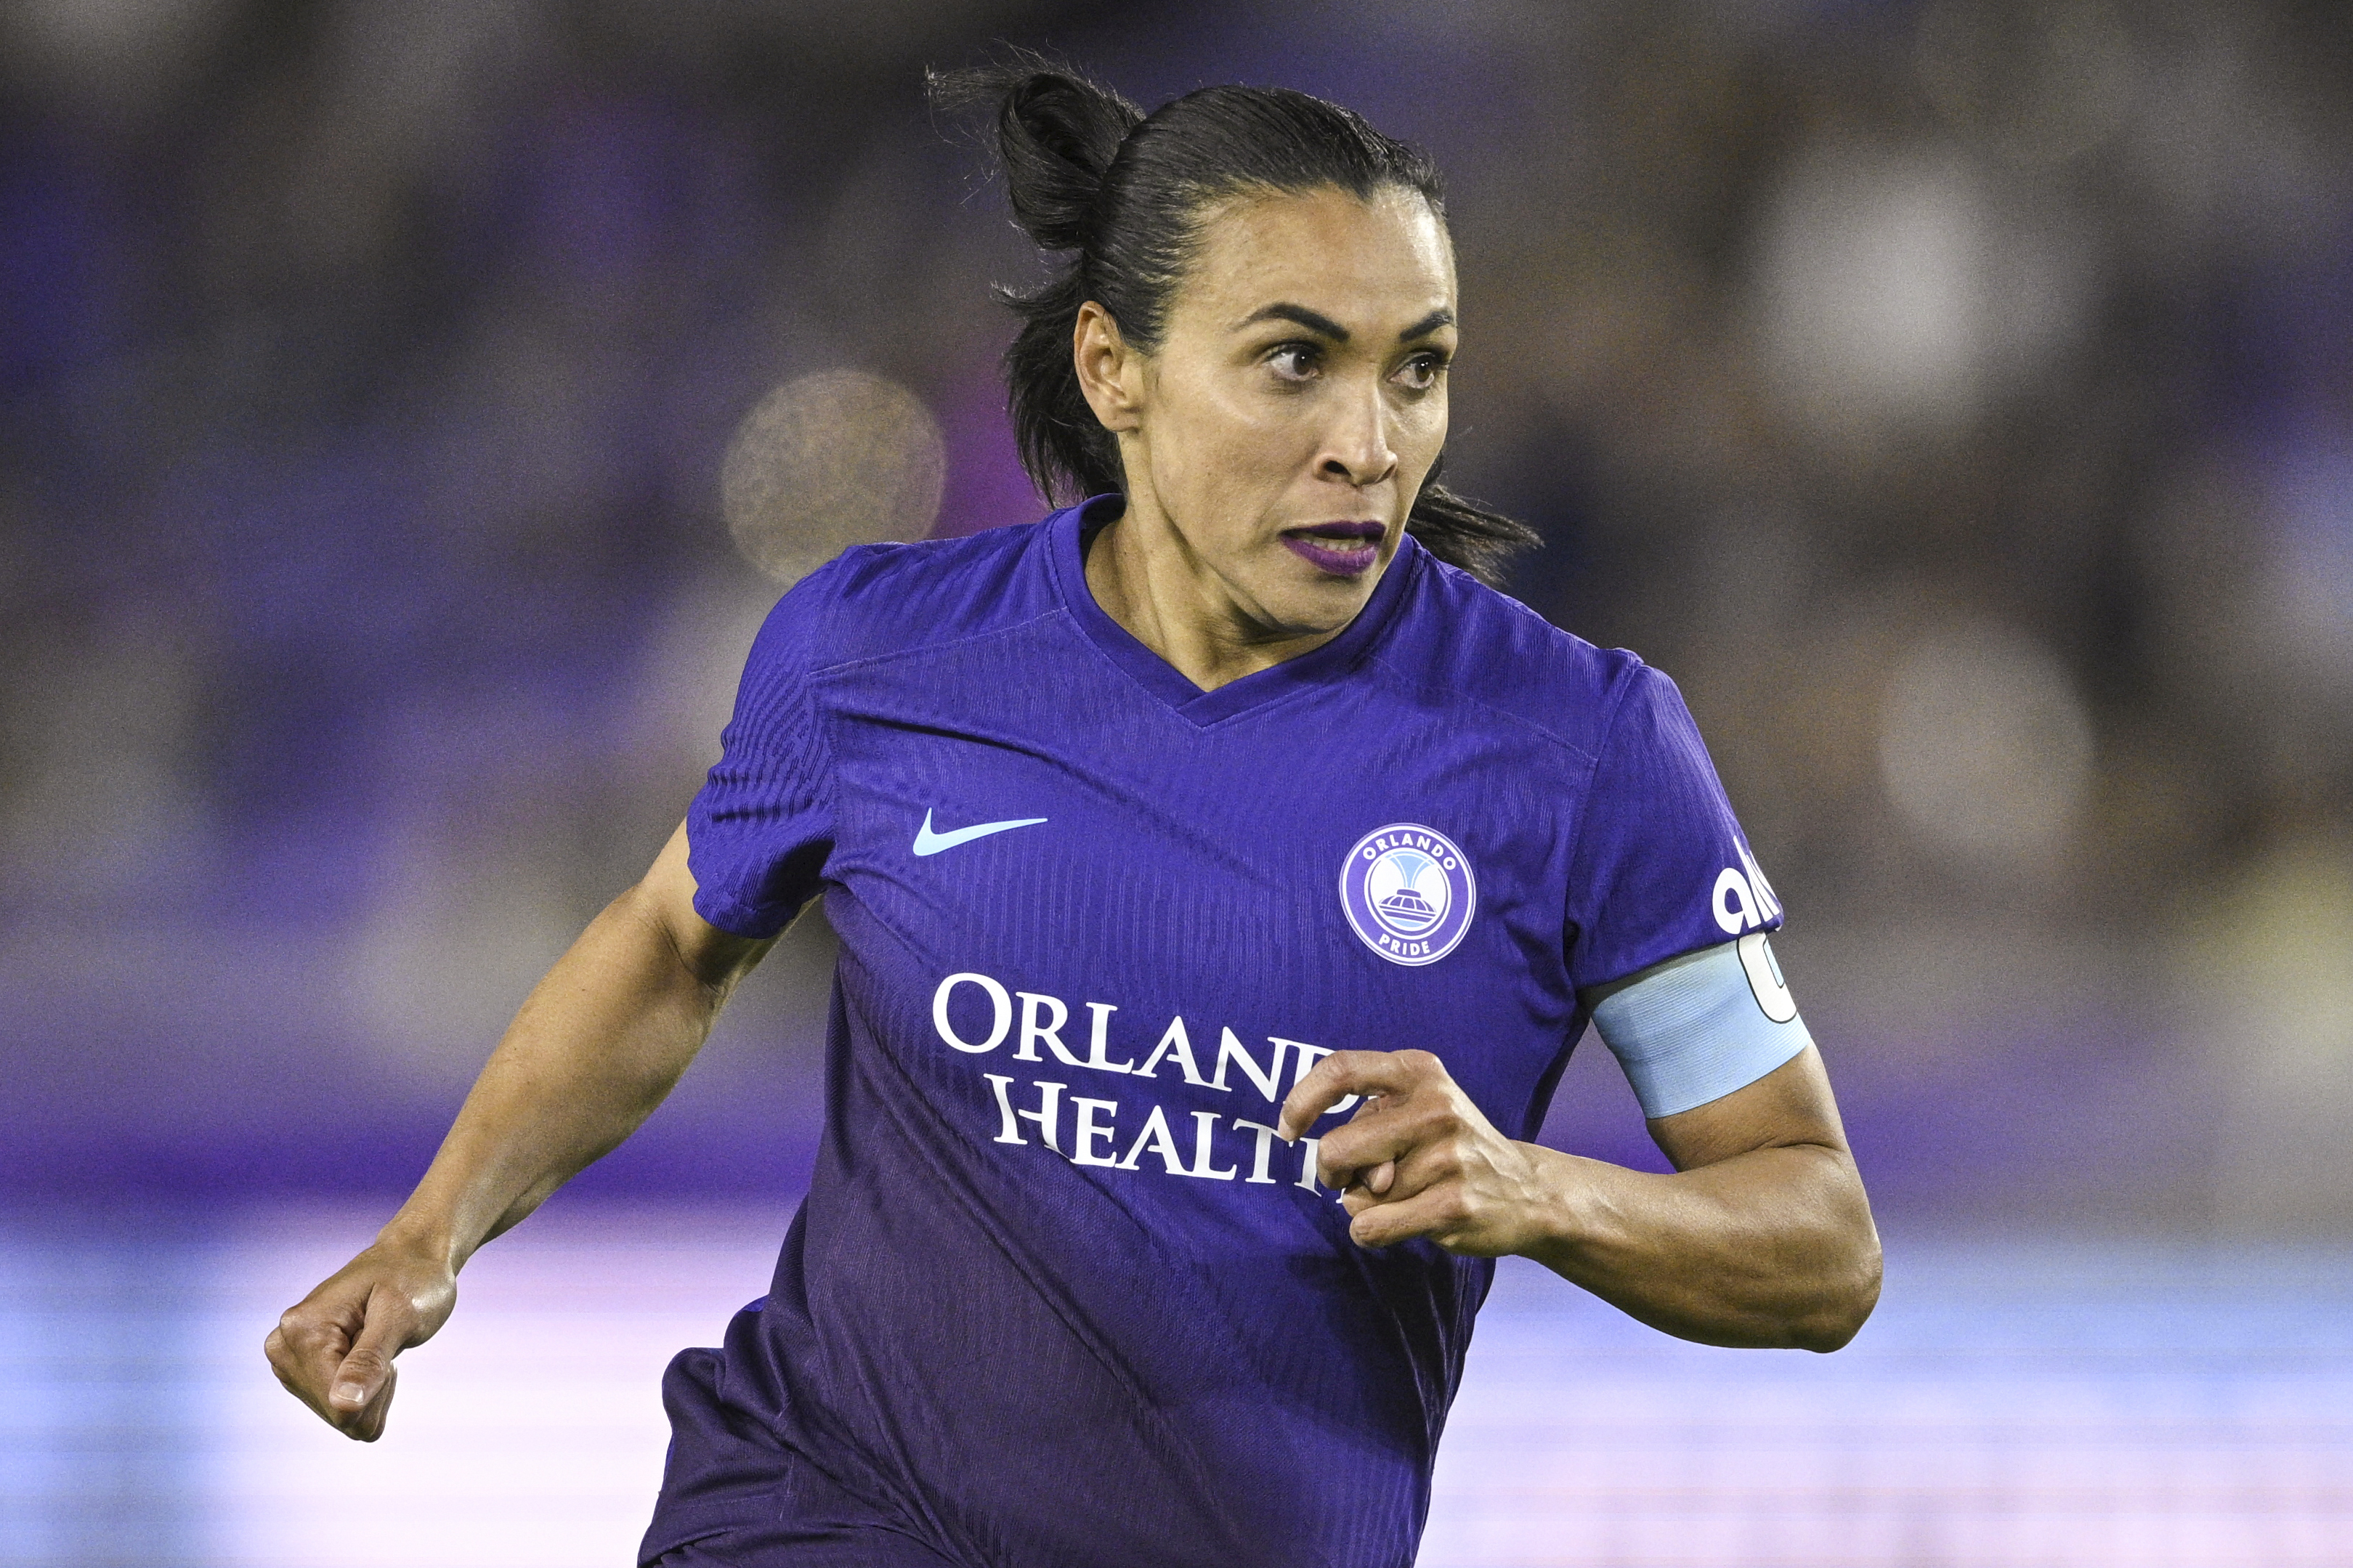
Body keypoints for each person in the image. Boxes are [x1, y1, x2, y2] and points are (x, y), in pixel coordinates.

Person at [266, 57, 1879, 1568]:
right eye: (1294, 362)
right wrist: (432, 1236)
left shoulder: (1582, 748)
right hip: (821, 1510)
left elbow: (1819, 1244)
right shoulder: (878, 651)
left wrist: (1539, 1193)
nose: (1368, 445)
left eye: (1421, 370)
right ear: (1115, 367)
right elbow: (673, 943)